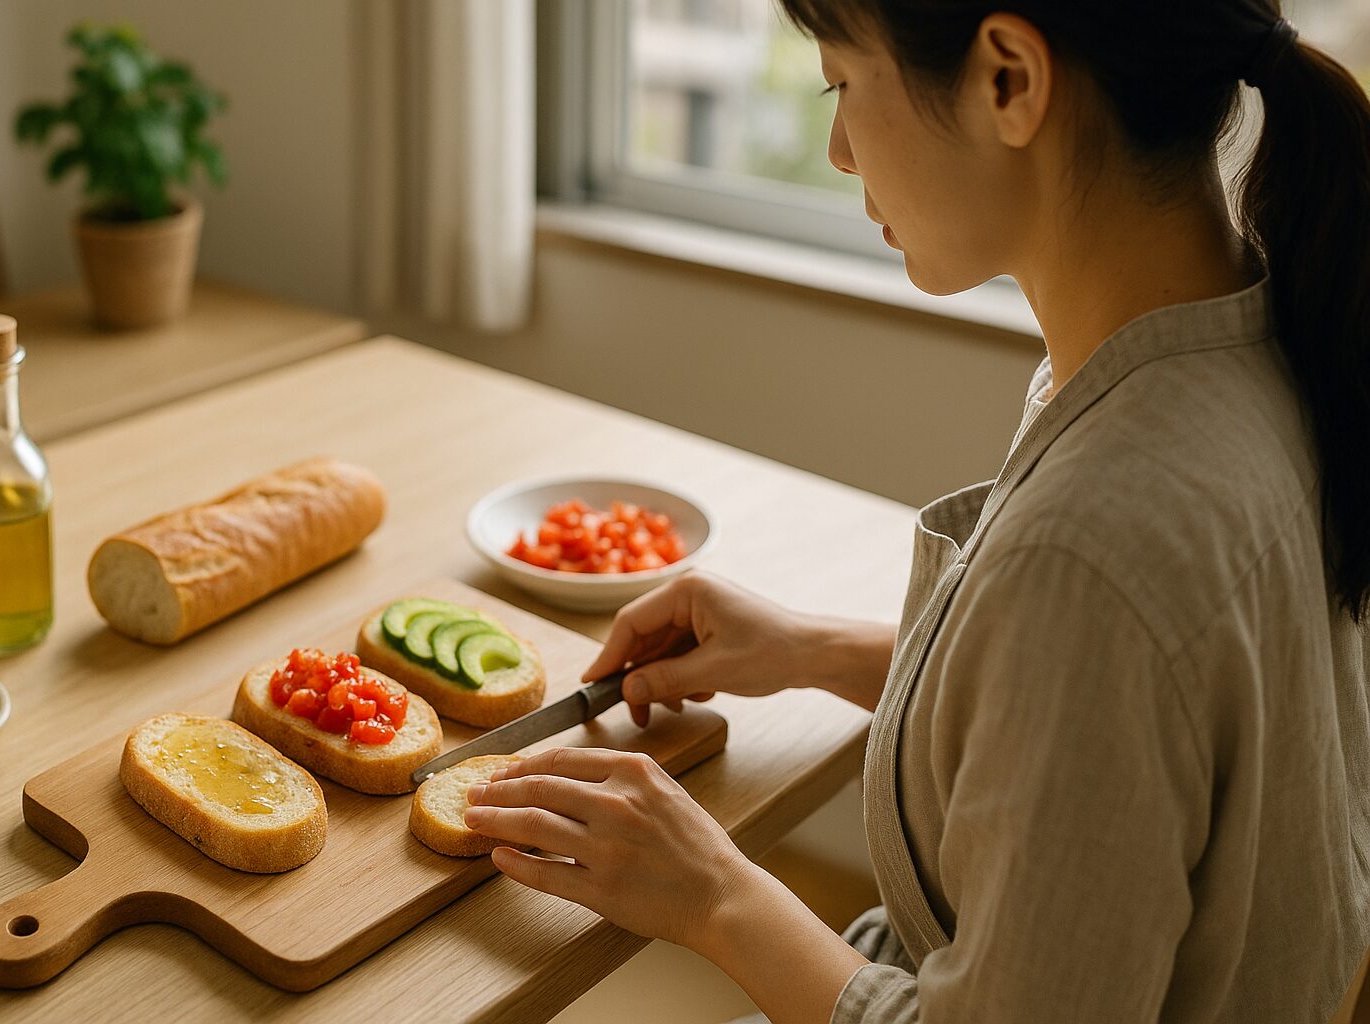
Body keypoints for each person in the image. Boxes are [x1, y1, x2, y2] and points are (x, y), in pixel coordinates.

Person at [461, 1, 1370, 1020]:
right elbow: (1118, 734)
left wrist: (717, 892)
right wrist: (812, 647)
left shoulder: (1096, 549)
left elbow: (1095, 630)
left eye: (842, 82)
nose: (841, 150)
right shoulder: (1258, 343)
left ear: (1008, 81)